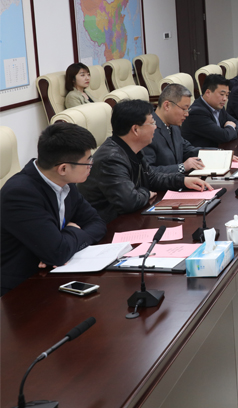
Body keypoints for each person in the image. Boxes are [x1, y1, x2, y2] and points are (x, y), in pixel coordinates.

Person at [0, 123, 106, 296]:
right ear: (63, 168)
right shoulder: (20, 194)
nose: (91, 165)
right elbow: (58, 253)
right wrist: (72, 230)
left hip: (55, 274)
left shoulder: (66, 183)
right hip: (21, 289)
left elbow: (97, 223)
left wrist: (62, 240)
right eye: (87, 161)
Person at [78, 100, 212, 223]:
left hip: (129, 218)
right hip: (109, 226)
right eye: (152, 123)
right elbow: (129, 201)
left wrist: (183, 181)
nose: (155, 127)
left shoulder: (131, 148)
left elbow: (151, 178)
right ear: (135, 129)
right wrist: (146, 192)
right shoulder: (111, 158)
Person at [143, 83, 204, 174]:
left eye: (188, 109)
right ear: (167, 105)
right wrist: (182, 167)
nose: (187, 114)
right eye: (184, 109)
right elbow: (147, 172)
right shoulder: (147, 131)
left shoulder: (174, 125)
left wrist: (220, 153)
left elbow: (187, 149)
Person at [182, 74, 238, 148]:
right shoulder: (197, 113)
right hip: (203, 153)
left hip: (219, 149)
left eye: (227, 95)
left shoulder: (218, 106)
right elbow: (223, 136)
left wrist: (228, 132)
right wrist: (230, 126)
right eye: (222, 94)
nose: (225, 99)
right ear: (208, 93)